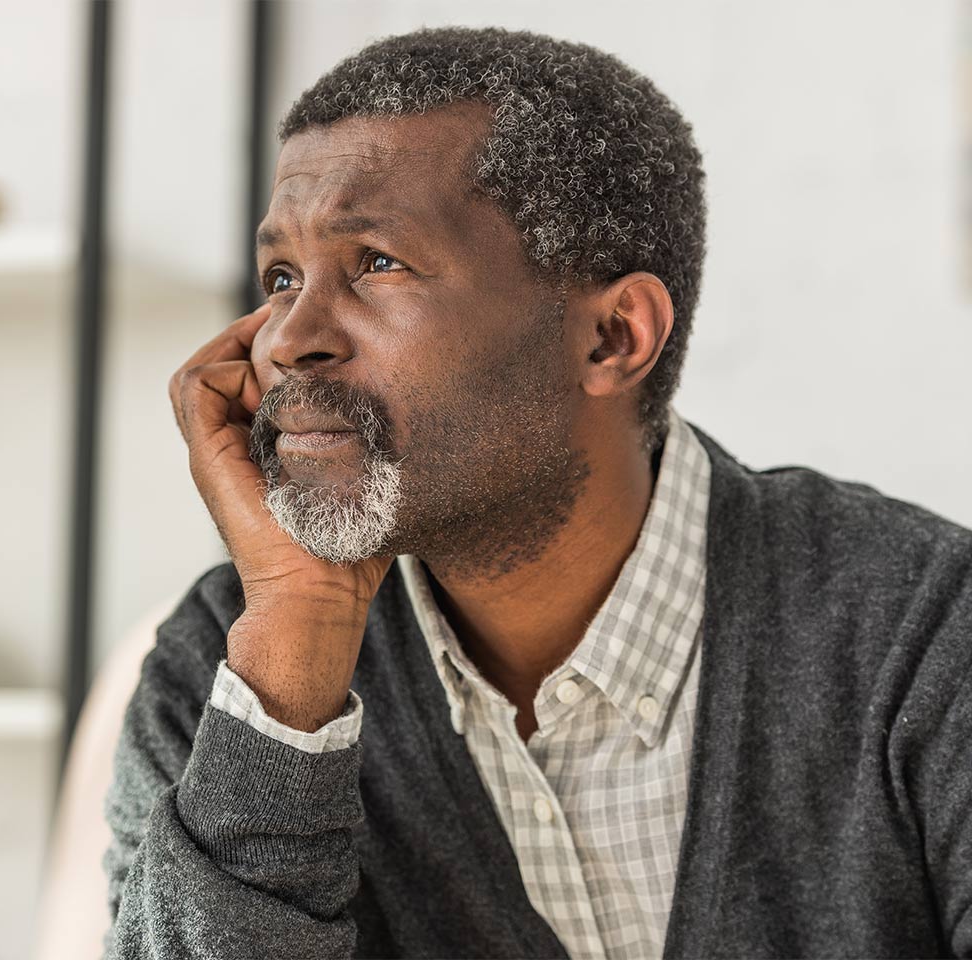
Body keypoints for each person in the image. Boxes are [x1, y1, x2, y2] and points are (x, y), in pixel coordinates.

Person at [101, 24, 972, 960]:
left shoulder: (925, 640)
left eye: (376, 263)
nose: (285, 338)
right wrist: (294, 661)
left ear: (611, 338)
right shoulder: (227, 688)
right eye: (280, 276)